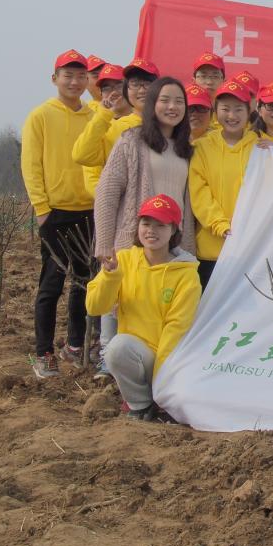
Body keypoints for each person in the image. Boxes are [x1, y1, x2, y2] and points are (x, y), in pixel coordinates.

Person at [93, 77, 197, 377]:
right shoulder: (132, 141)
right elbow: (107, 191)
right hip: (135, 235)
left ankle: (155, 368)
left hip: (172, 239)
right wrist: (105, 242)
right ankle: (110, 361)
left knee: (161, 306)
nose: (172, 107)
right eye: (165, 100)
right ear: (152, 104)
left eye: (179, 101)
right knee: (122, 297)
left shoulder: (186, 148)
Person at [86, 194, 201, 420]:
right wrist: (110, 276)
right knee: (117, 348)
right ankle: (140, 405)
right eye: (146, 223)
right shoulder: (123, 260)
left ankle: (162, 400)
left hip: (170, 361)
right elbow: (94, 307)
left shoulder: (186, 275)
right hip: (135, 354)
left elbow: (176, 328)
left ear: (173, 230)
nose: (151, 231)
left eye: (161, 225)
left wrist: (162, 380)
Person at [21, 50, 96, 379]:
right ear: (55, 79)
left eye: (81, 76)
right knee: (51, 284)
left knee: (84, 282)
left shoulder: (94, 116)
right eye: (68, 75)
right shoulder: (40, 116)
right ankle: (44, 353)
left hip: (89, 212)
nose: (74, 82)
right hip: (55, 214)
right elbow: (31, 165)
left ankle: (75, 345)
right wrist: (41, 210)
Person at [189, 79, 259, 289]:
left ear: (249, 111)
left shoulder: (260, 147)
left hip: (249, 249)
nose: (232, 115)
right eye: (225, 109)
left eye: (238, 109)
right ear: (215, 111)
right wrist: (219, 225)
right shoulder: (201, 147)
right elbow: (199, 192)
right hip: (211, 249)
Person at [72, 58, 158, 195]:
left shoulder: (166, 123)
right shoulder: (104, 128)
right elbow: (83, 159)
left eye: (118, 86)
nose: (114, 92)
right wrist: (114, 201)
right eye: (106, 88)